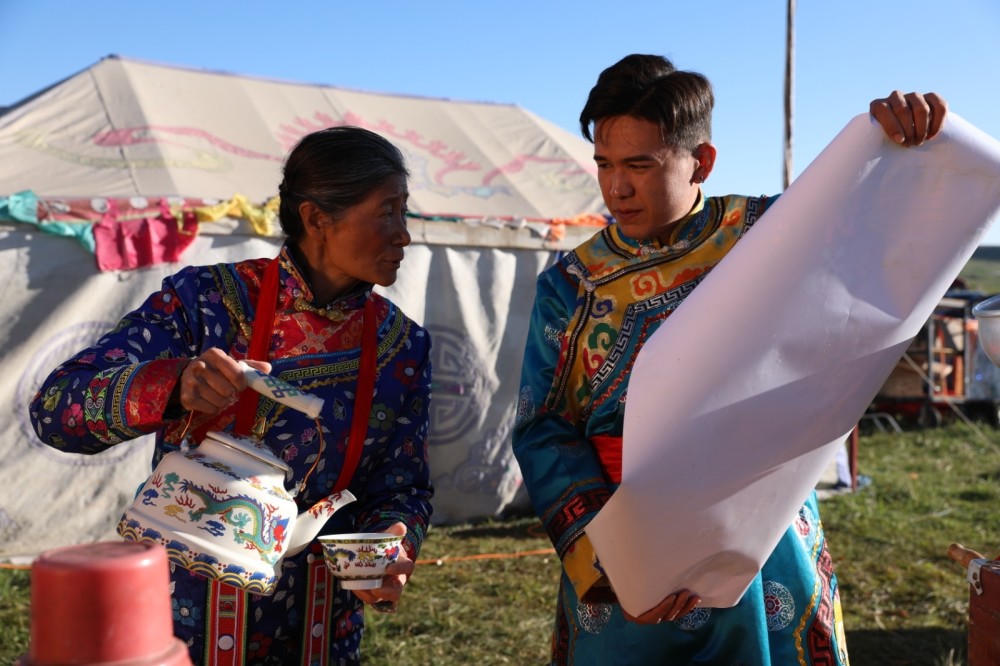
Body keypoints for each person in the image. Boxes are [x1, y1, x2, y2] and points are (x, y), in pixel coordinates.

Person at [511, 53, 947, 665]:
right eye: (605, 165)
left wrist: (906, 145)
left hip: (763, 536)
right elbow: (542, 425)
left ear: (702, 162)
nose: (616, 187)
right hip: (627, 546)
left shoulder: (770, 234)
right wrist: (615, 557)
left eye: (640, 164)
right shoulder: (571, 285)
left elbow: (886, 231)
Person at [29, 126, 433, 665]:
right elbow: (57, 410)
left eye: (404, 213)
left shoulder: (401, 345)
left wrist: (393, 541)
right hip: (181, 626)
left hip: (320, 635)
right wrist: (174, 385)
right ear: (317, 219)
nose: (404, 234)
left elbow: (404, 484)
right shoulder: (207, 303)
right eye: (388, 212)